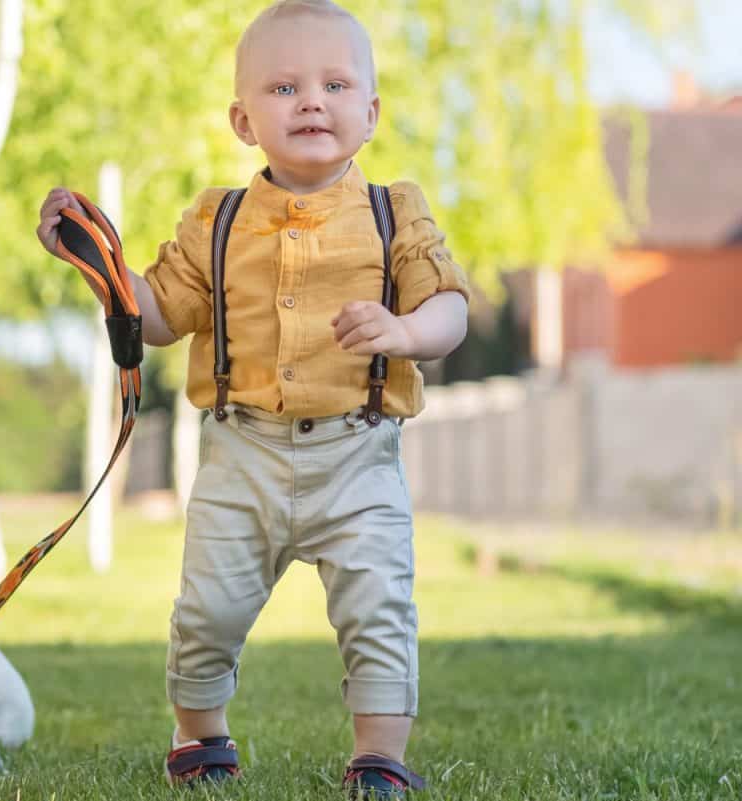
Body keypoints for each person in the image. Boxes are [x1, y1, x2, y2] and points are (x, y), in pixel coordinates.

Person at [37, 1, 469, 795]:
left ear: (370, 113)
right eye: (283, 87)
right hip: (243, 453)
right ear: (243, 119)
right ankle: (201, 735)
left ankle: (380, 754)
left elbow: (450, 306)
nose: (311, 100)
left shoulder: (393, 212)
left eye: (336, 84)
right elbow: (161, 314)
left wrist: (405, 333)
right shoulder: (217, 221)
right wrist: (97, 260)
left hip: (358, 451)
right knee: (207, 611)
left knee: (379, 607)